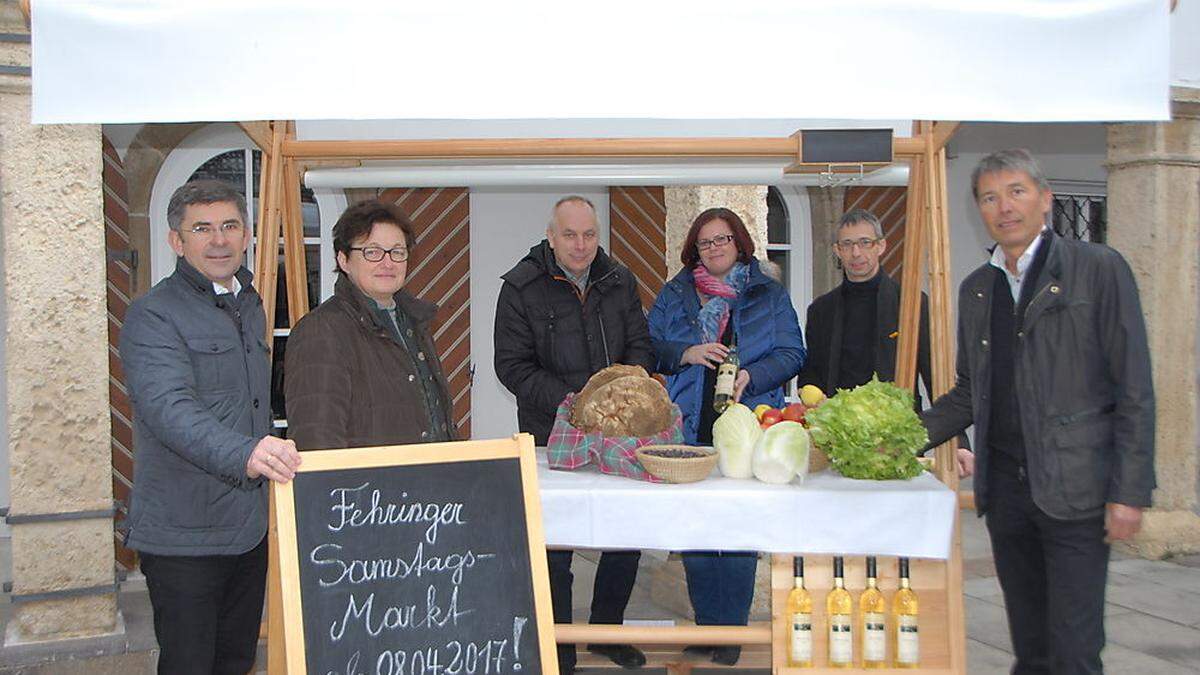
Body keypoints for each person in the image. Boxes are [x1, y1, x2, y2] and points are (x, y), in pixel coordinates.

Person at [922, 149, 1155, 674]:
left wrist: (1129, 491)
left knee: (1074, 649)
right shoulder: (977, 289)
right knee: (1029, 647)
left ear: (1046, 199)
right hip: (1006, 495)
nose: (1004, 207)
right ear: (979, 209)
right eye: (989, 196)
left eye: (1017, 191)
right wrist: (898, 438)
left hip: (1074, 490)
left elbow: (1134, 386)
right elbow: (968, 392)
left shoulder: (1097, 269)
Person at [120, 180, 302, 674]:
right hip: (184, 537)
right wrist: (247, 453)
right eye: (202, 228)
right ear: (177, 242)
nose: (219, 240)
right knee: (190, 665)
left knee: (235, 662)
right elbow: (169, 410)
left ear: (247, 236)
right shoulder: (153, 315)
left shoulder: (248, 303)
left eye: (230, 226)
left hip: (246, 530)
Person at [493, 196, 654, 674]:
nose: (581, 245)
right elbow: (512, 366)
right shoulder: (520, 287)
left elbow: (640, 346)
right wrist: (576, 402)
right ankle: (558, 642)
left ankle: (607, 631)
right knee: (555, 542)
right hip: (550, 431)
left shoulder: (620, 280)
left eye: (589, 234)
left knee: (624, 534)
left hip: (621, 434)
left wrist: (623, 393)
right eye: (570, 235)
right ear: (551, 236)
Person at [647, 207, 805, 666]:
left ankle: (731, 631)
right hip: (690, 422)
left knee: (738, 528)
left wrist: (752, 375)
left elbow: (793, 352)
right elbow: (651, 344)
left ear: (740, 243)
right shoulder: (675, 294)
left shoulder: (768, 293)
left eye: (723, 240)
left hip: (750, 424)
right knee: (695, 530)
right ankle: (707, 626)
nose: (714, 248)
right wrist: (686, 351)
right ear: (693, 250)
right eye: (705, 242)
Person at [798, 208, 971, 473]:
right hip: (839, 439)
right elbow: (811, 376)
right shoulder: (821, 310)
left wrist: (957, 442)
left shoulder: (912, 304)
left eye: (865, 243)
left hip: (898, 439)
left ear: (881, 246)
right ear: (837, 250)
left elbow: (936, 377)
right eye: (847, 244)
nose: (856, 253)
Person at [285, 200, 456, 450]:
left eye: (397, 252)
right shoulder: (322, 331)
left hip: (428, 484)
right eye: (372, 252)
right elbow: (317, 440)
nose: (388, 263)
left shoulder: (413, 323)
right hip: (370, 487)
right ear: (343, 260)